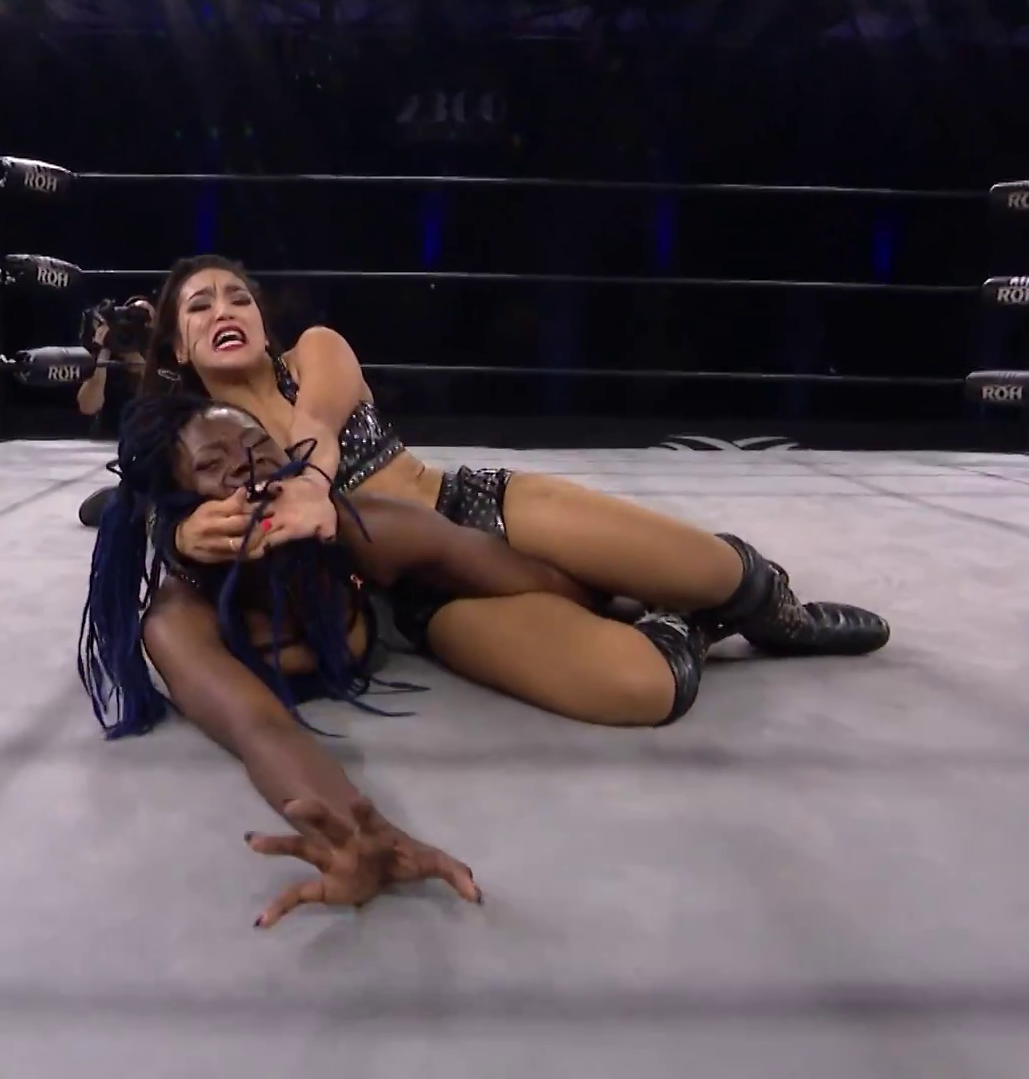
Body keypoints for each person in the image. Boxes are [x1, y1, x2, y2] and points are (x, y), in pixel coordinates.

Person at [136, 254, 890, 722]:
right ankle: (686, 624)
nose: (224, 310)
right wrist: (176, 534)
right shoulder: (194, 444)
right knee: (642, 689)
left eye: (237, 297)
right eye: (200, 306)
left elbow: (317, 424)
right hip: (424, 593)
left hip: (477, 506)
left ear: (261, 320)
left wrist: (311, 485)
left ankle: (777, 614)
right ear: (177, 346)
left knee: (715, 569)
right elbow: (142, 507)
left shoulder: (316, 352)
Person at [84, 392, 675, 925]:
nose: (250, 470)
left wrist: (648, 592)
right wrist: (359, 835)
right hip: (193, 536)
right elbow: (259, 729)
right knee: (122, 508)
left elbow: (531, 577)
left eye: (260, 448)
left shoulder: (355, 529)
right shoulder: (180, 620)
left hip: (414, 565)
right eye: (214, 465)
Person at [73, 297, 154, 527]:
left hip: (158, 456)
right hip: (122, 450)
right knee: (91, 512)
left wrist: (135, 359)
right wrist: (105, 352)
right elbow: (88, 406)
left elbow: (159, 393)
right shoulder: (109, 360)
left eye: (144, 319)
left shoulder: (167, 357)